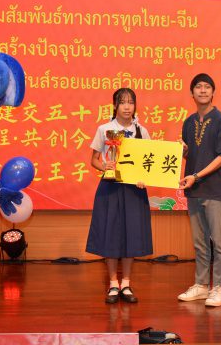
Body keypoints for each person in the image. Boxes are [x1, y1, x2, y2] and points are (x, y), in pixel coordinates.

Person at [86, 88, 153, 304]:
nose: (127, 107)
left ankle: (126, 283)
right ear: (115, 105)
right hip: (110, 187)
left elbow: (149, 163)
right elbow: (94, 160)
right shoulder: (105, 129)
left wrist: (144, 177)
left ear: (135, 106)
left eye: (130, 102)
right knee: (111, 233)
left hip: (134, 190)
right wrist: (104, 166)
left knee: (131, 234)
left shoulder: (142, 131)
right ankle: (113, 283)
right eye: (122, 102)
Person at [178, 73, 221, 307]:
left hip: (214, 189)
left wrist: (197, 176)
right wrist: (183, 153)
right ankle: (201, 285)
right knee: (200, 242)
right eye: (198, 87)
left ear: (213, 92)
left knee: (219, 242)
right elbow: (194, 154)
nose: (202, 90)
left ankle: (219, 287)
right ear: (191, 93)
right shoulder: (188, 123)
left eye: (207, 87)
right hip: (194, 190)